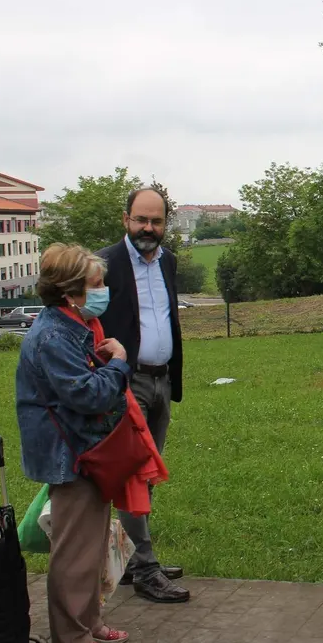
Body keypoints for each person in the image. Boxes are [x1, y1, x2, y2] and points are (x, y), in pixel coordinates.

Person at [15, 243, 131, 643]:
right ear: (71, 293)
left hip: (87, 452)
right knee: (74, 553)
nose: (103, 291)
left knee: (93, 545)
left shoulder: (74, 325)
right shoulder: (53, 336)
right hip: (70, 456)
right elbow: (88, 394)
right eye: (96, 284)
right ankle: (72, 642)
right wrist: (118, 362)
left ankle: (89, 620)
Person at [96, 187, 189, 604]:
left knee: (147, 474)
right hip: (125, 382)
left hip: (162, 380)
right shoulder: (105, 263)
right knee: (132, 474)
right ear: (125, 220)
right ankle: (147, 569)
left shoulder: (167, 261)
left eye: (156, 221)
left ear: (165, 223)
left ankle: (134, 558)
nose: (148, 229)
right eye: (141, 220)